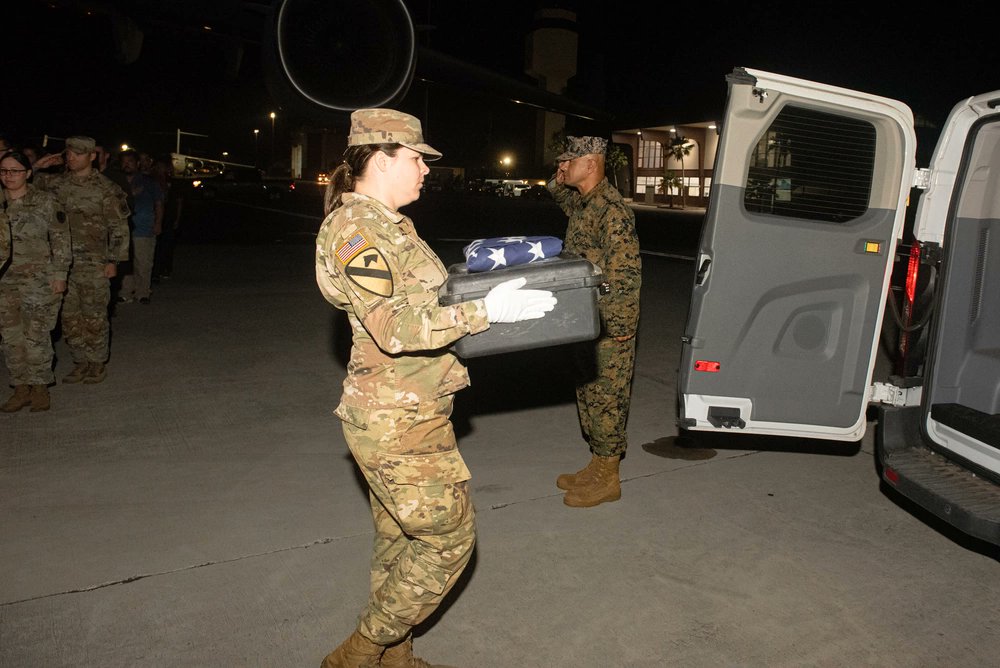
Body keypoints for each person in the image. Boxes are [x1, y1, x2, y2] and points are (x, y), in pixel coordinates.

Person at [314, 108, 555, 668]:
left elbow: (420, 298)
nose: (426, 169)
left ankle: (393, 656)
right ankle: (360, 650)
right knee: (449, 540)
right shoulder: (357, 230)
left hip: (411, 409)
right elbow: (393, 328)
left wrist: (485, 288)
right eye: (417, 157)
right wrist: (483, 313)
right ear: (380, 158)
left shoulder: (389, 224)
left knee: (401, 541)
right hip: (395, 419)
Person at [547, 135, 642, 508]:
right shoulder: (584, 202)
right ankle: (598, 464)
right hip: (586, 320)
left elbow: (627, 277)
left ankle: (610, 478)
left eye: (571, 161)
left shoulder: (612, 211)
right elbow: (558, 192)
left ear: (592, 163)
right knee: (588, 396)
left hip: (607, 324)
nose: (564, 166)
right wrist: (559, 175)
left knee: (608, 401)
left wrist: (616, 329)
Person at [33, 136, 130, 384]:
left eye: (78, 153)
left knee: (94, 315)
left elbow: (118, 228)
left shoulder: (106, 189)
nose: (72, 157)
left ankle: (96, 362)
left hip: (94, 263)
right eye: (69, 153)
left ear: (92, 156)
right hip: (62, 265)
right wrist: (37, 166)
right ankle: (80, 360)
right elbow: (18, 182)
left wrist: (113, 261)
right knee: (69, 316)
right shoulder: (55, 184)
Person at [0, 150, 72, 412]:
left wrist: (59, 275)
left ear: (28, 174)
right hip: (4, 282)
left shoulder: (45, 202)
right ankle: (20, 388)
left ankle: (40, 388)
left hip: (38, 281)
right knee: (10, 337)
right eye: (4, 171)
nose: (9, 176)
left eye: (15, 171)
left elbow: (61, 240)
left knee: (36, 335)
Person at [118, 149, 163, 304]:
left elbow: (159, 203)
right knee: (126, 262)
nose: (127, 165)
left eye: (130, 162)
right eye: (124, 162)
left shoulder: (148, 182)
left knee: (143, 261)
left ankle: (143, 292)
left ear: (137, 163)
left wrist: (158, 223)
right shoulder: (117, 182)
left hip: (143, 227)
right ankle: (125, 292)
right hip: (123, 229)